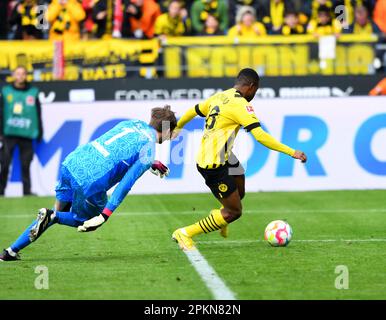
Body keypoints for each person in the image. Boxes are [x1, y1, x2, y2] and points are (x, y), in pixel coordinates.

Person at [0, 106, 176, 261]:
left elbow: (117, 150)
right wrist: (105, 215)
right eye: (170, 134)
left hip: (73, 162)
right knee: (81, 220)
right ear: (167, 131)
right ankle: (51, 217)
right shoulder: (149, 150)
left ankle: (9, 252)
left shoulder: (131, 124)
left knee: (56, 212)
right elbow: (124, 185)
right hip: (91, 180)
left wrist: (151, 163)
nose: (170, 138)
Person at [171, 68, 307, 251]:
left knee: (239, 184)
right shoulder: (241, 104)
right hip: (212, 164)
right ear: (251, 87)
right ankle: (185, 233)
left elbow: (193, 110)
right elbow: (260, 136)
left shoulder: (219, 96)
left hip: (223, 155)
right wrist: (291, 152)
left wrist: (178, 127)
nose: (254, 96)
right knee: (235, 211)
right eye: (255, 92)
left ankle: (221, 214)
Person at [0, 66, 43, 197]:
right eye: (17, 73)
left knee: (25, 164)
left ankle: (27, 192)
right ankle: (1, 191)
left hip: (27, 134)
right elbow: (1, 113)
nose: (20, 76)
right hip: (9, 134)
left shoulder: (33, 92)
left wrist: (40, 131)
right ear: (13, 75)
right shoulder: (6, 92)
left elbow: (38, 113)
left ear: (26, 76)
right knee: (5, 163)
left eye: (23, 73)